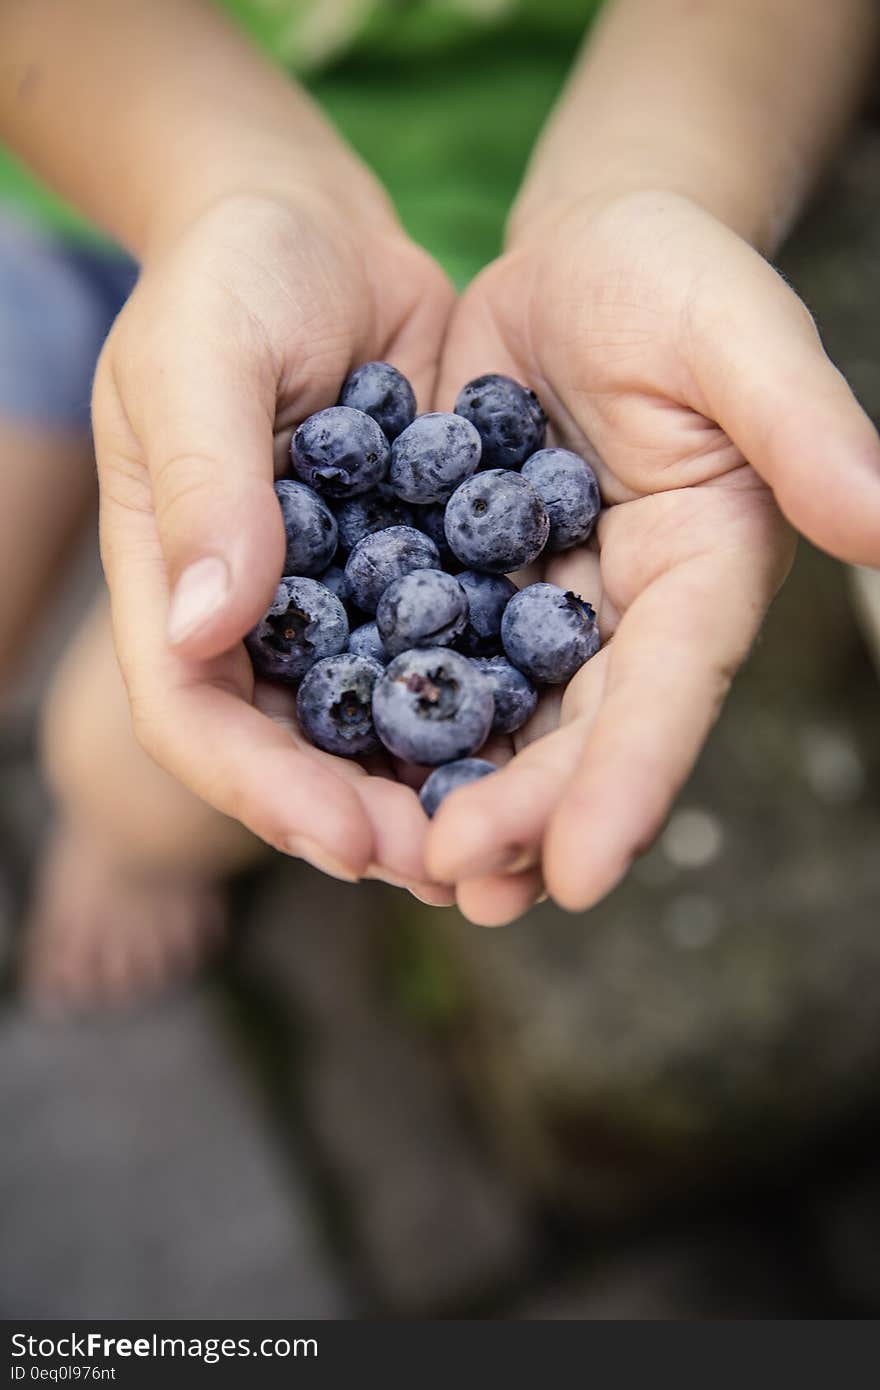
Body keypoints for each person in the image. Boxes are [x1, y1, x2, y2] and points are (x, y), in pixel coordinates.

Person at [0, 0, 878, 1008]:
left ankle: (130, 851)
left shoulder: (456, 535)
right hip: (83, 166)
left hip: (490, 245)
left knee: (133, 771)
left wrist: (652, 187)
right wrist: (227, 191)